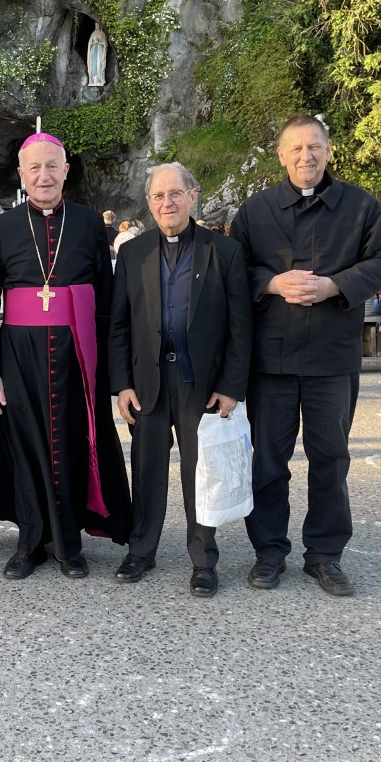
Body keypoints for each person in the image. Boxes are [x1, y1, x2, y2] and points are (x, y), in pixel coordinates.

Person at [229, 114, 381, 597]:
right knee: (269, 461)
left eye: (315, 147)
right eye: (296, 148)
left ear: (329, 150)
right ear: (281, 156)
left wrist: (333, 286)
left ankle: (325, 555)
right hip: (272, 360)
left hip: (332, 356)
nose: (307, 156)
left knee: (331, 459)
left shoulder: (360, 205)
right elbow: (233, 267)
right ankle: (269, 551)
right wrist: (271, 282)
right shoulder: (256, 210)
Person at [0, 132, 132, 579]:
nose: (44, 175)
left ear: (66, 171)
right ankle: (29, 543)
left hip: (75, 355)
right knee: (23, 447)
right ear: (21, 175)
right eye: (34, 168)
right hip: (17, 358)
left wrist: (104, 367)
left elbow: (106, 304)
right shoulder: (1, 229)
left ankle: (69, 543)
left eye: (52, 166)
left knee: (71, 444)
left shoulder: (86, 224)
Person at [108, 162, 252, 597]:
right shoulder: (133, 254)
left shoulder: (223, 251)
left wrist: (231, 386)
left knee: (201, 471)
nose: (166, 203)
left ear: (193, 195)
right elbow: (118, 324)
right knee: (146, 469)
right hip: (148, 380)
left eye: (175, 193)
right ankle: (141, 551)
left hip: (201, 383)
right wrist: (122, 384)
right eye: (157, 196)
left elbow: (241, 326)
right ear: (149, 204)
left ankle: (204, 560)